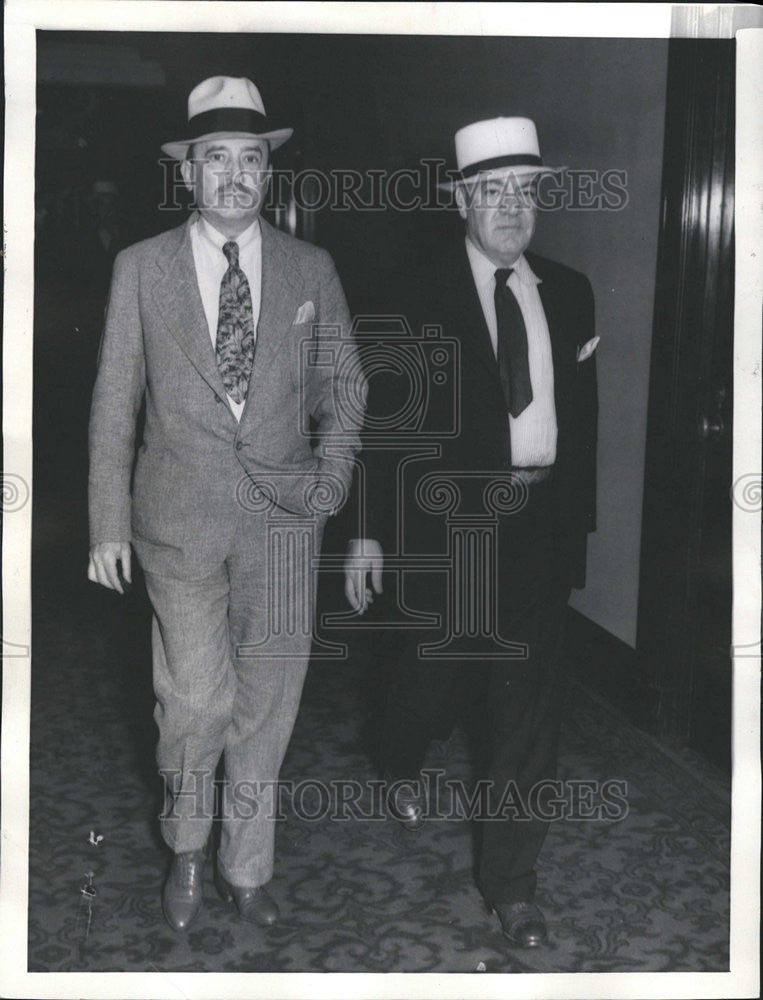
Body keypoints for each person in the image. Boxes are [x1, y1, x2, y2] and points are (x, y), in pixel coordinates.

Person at [89, 76, 364, 932]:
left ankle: (247, 867)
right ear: (187, 174)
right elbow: (112, 403)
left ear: (267, 173)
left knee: (268, 704)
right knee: (197, 701)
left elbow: (345, 390)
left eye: (251, 160)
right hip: (177, 523)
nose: (235, 176)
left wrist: (329, 487)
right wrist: (105, 524)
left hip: (284, 529)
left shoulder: (310, 268)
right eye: (217, 160)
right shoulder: (141, 269)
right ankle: (187, 845)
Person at [344, 117, 598, 948]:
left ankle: (512, 886)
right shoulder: (411, 289)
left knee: (525, 714)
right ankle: (394, 752)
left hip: (539, 531)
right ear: (460, 198)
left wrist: (576, 535)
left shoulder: (568, 291)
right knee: (429, 685)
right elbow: (384, 425)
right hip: (446, 525)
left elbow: (582, 423)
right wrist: (372, 534)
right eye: (492, 190)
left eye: (525, 191)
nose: (511, 209)